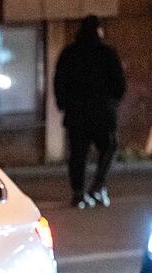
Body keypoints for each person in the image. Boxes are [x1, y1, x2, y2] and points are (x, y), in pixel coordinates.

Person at [54, 14, 126, 209]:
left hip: (76, 114)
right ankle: (98, 184)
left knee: (77, 154)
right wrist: (113, 100)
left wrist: (64, 104)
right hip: (102, 113)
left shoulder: (69, 53)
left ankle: (78, 193)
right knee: (109, 146)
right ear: (98, 30)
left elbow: (59, 81)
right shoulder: (107, 53)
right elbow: (119, 83)